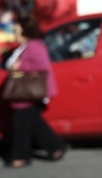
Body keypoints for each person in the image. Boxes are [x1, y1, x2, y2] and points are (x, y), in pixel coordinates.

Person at [5, 15, 67, 168]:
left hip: (28, 93)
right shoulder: (26, 46)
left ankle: (20, 157)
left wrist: (20, 67)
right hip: (27, 93)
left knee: (22, 124)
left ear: (26, 32)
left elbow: (42, 67)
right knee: (33, 123)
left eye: (17, 32)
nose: (15, 35)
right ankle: (56, 148)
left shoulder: (34, 46)